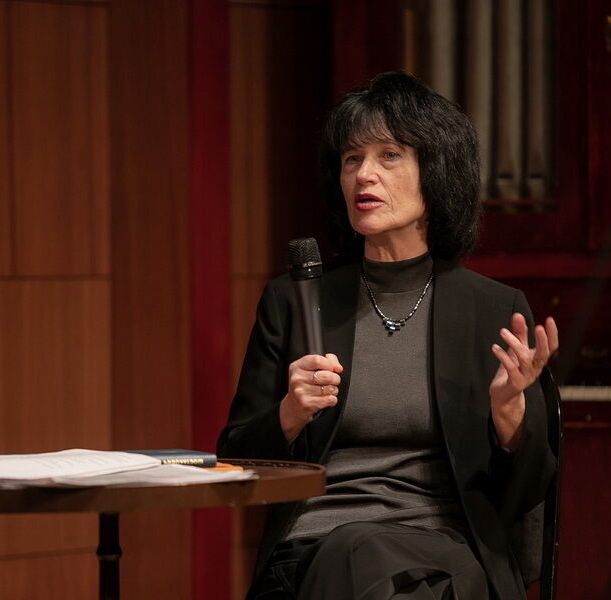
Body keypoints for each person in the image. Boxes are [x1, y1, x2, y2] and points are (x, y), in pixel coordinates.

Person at [217, 71, 559, 600]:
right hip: (315, 551)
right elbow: (236, 459)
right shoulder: (293, 301)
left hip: (446, 547)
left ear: (436, 171)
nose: (364, 175)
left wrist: (509, 413)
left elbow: (530, 493)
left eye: (389, 155)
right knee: (360, 554)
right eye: (351, 159)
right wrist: (289, 413)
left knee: (372, 560)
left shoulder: (493, 309)